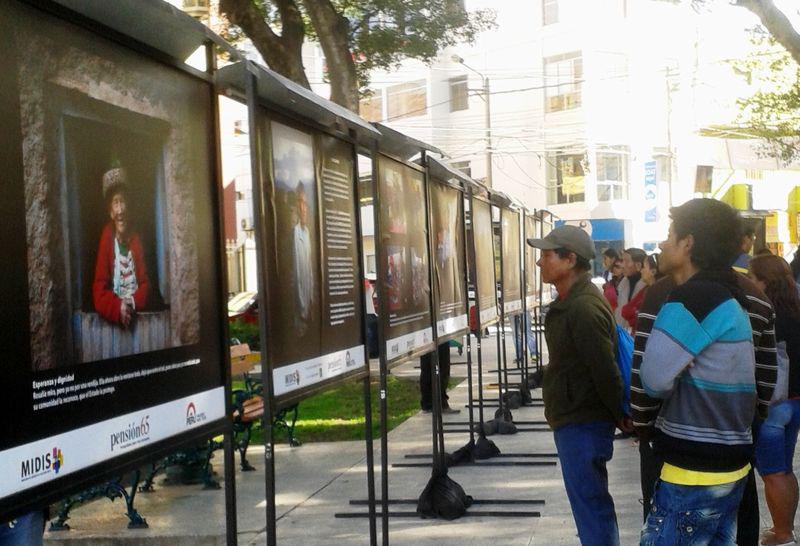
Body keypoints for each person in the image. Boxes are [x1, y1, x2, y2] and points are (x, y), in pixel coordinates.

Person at [638, 199, 776, 545]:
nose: (663, 244)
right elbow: (763, 382)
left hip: (691, 474)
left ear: (688, 243)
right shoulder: (731, 298)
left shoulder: (689, 300)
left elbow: (653, 380)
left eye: (670, 235)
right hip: (729, 467)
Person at [528, 225, 624, 546]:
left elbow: (605, 369)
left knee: (590, 504)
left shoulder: (582, 307)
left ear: (570, 260)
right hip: (576, 417)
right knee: (588, 503)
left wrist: (621, 415)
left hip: (584, 421)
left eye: (546, 255)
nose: (540, 262)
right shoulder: (573, 300)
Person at [749, 254, 800, 546]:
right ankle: (785, 529)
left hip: (774, 404)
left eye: (753, 278)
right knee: (784, 469)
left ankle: (782, 535)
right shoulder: (796, 310)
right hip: (795, 402)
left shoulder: (767, 316)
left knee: (772, 471)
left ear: (765, 282)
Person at [93, 167, 150, 327]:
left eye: (123, 202)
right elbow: (99, 291)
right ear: (110, 211)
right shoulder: (106, 238)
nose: (121, 210)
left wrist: (131, 301)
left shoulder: (137, 238)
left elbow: (146, 285)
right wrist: (118, 307)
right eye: (116, 203)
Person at [292, 182, 314, 336]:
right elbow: (297, 274)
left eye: (305, 203)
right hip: (298, 312)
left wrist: (311, 301)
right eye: (300, 202)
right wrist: (302, 308)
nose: (303, 208)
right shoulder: (294, 233)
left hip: (308, 309)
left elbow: (309, 272)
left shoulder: (306, 232)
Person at [621, 254, 662, 330]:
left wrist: (637, 314)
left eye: (644, 267)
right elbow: (625, 310)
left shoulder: (654, 293)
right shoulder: (645, 289)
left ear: (653, 271)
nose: (641, 270)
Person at [419, 343, 459, 414]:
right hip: (436, 338)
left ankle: (428, 404)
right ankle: (441, 403)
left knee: (427, 369)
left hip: (425, 339)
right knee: (441, 368)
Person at [614, 248, 647, 330]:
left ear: (638, 265)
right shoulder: (623, 282)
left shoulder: (646, 287)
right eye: (622, 261)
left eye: (627, 261)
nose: (622, 265)